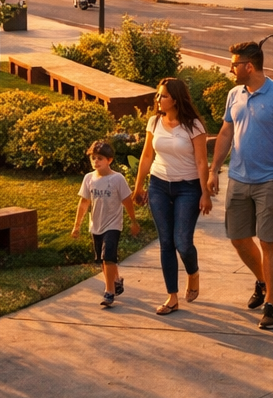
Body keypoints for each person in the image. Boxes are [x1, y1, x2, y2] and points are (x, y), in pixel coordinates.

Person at [208, 40, 273, 330]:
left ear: (249, 66)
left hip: (270, 181)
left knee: (269, 242)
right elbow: (225, 133)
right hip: (238, 178)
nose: (231, 68)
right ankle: (262, 280)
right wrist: (213, 170)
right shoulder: (234, 94)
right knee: (238, 238)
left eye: (234, 64)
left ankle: (271, 303)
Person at [134, 78, 213, 314]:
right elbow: (147, 155)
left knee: (183, 242)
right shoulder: (154, 122)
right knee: (166, 242)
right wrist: (138, 187)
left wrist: (205, 193)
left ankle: (193, 272)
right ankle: (172, 297)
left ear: (176, 99)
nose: (159, 99)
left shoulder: (194, 126)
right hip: (159, 185)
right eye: (158, 95)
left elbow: (201, 162)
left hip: (188, 188)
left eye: (164, 96)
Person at [71, 140, 140, 308]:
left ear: (109, 160)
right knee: (103, 260)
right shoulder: (89, 178)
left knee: (108, 257)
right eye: (93, 158)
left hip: (113, 225)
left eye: (100, 158)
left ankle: (109, 292)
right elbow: (84, 203)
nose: (96, 161)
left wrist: (133, 221)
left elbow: (127, 201)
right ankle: (116, 280)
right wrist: (77, 225)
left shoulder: (117, 179)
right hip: (96, 225)